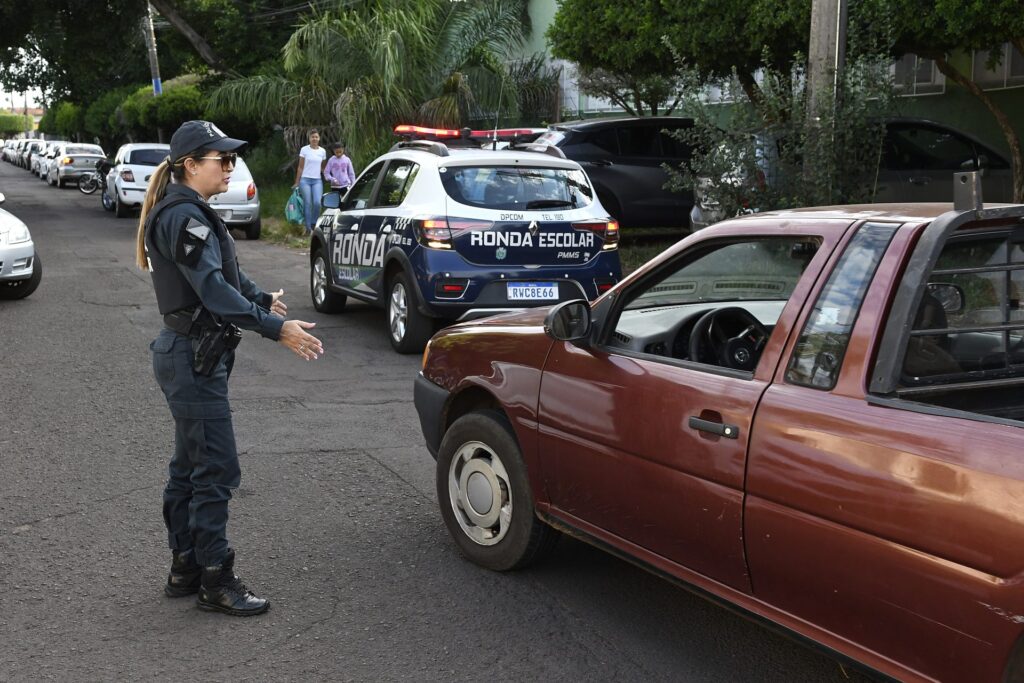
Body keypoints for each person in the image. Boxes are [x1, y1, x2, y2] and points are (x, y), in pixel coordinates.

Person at [135, 120, 324, 617]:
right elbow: (213, 291)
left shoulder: (191, 212)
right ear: (191, 166)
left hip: (191, 354)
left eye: (232, 159)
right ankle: (215, 580)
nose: (231, 166)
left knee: (188, 468)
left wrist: (263, 300)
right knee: (215, 470)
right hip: (191, 358)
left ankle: (186, 568)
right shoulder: (184, 216)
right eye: (222, 160)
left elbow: (228, 278)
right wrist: (274, 329)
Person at [293, 128, 327, 234]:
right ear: (309, 138)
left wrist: (329, 178)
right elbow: (300, 167)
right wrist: (297, 182)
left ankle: (313, 223)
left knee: (317, 202)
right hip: (305, 180)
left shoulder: (322, 151)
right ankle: (308, 229)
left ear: (319, 138)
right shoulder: (304, 150)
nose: (314, 139)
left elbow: (323, 168)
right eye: (312, 137)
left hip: (317, 180)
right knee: (308, 203)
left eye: (316, 137)